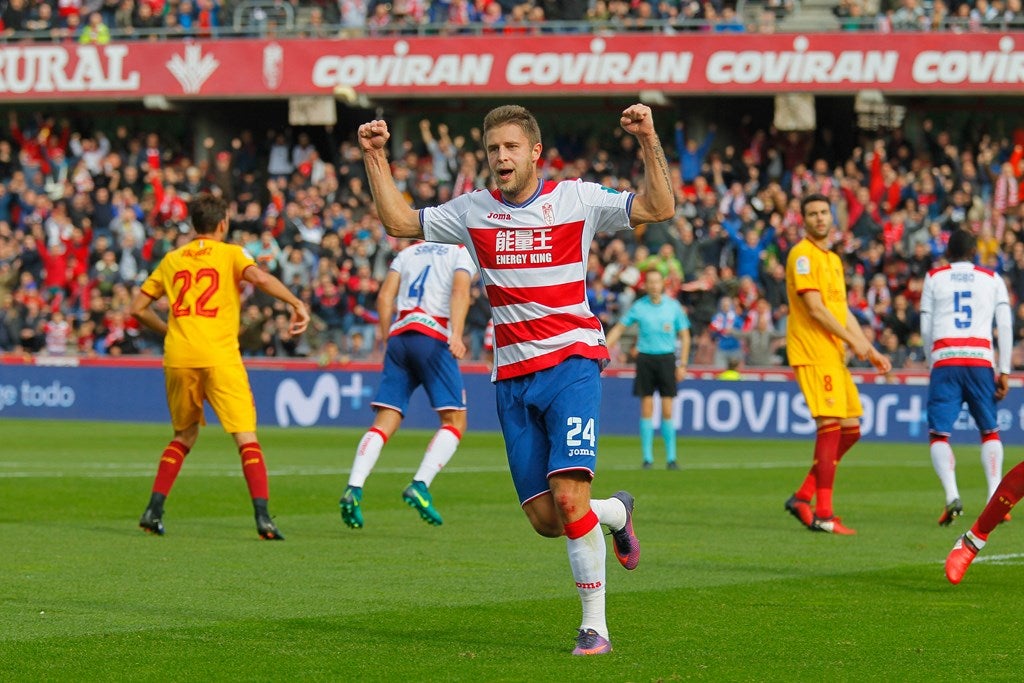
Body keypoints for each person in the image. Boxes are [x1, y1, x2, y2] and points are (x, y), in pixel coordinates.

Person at [357, 103, 674, 655]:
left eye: (510, 147)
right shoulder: (474, 211)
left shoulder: (577, 199)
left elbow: (659, 206)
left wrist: (648, 138)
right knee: (547, 519)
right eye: (492, 149)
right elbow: (399, 223)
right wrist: (374, 156)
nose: (500, 157)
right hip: (511, 379)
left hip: (573, 363)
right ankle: (617, 513)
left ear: (534, 152)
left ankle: (594, 627)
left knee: (570, 498)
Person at [130, 193, 309, 540]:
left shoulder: (171, 259)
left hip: (179, 356)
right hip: (219, 355)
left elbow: (137, 308)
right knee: (245, 437)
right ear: (223, 224)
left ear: (194, 225)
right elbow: (257, 278)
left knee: (184, 436)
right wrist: (295, 302)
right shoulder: (231, 253)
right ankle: (263, 518)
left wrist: (171, 330)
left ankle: (153, 510)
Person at [338, 238, 477, 529]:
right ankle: (421, 484)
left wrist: (388, 335)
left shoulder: (407, 252)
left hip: (401, 335)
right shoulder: (459, 252)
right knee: (455, 419)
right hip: (433, 335)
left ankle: (354, 487)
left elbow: (384, 297)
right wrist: (457, 333)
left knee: (384, 422)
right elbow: (460, 292)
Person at [782, 193, 892, 536]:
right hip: (813, 351)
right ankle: (824, 513)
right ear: (804, 220)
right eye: (812, 213)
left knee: (851, 428)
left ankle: (803, 497)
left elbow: (840, 310)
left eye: (823, 212)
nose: (819, 218)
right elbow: (814, 308)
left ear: (832, 218)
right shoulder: (802, 255)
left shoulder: (831, 258)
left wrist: (868, 348)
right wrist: (853, 340)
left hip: (834, 353)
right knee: (830, 426)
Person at [921, 229, 1012, 528]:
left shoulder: (934, 277)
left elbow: (925, 326)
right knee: (990, 431)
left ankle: (951, 496)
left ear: (948, 251)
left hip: (945, 358)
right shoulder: (992, 278)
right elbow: (1005, 325)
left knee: (939, 435)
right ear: (974, 251)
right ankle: (994, 499)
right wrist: (1005, 370)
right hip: (979, 360)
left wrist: (931, 359)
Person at [603, 268, 691, 470]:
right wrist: (603, 348)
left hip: (667, 359)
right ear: (645, 285)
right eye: (650, 282)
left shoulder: (673, 307)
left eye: (657, 281)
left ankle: (671, 458)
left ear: (663, 284)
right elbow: (619, 328)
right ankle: (648, 458)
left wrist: (683, 363)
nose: (653, 285)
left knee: (668, 409)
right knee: (647, 408)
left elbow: (685, 335)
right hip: (645, 359)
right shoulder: (639, 307)